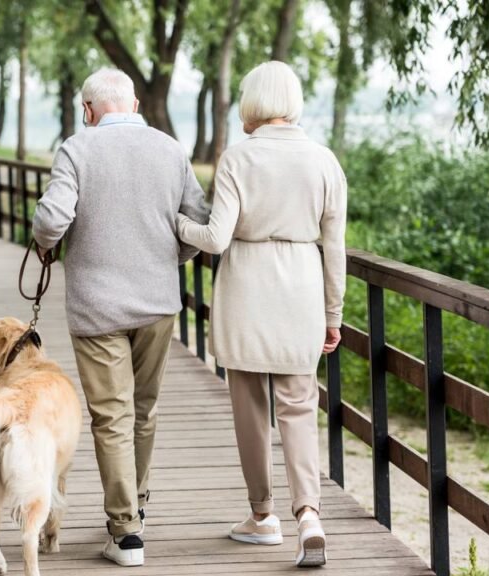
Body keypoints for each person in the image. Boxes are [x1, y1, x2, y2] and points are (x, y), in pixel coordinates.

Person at [31, 68, 210, 567]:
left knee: (112, 415)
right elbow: (198, 221)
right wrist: (167, 260)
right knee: (144, 411)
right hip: (158, 303)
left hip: (97, 308)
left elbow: (50, 221)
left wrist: (48, 246)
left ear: (88, 110)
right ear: (133, 105)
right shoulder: (170, 149)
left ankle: (126, 532)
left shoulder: (77, 148)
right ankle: (137, 507)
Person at [175, 60, 347, 568]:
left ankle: (262, 516)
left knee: (250, 408)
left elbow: (215, 238)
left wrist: (176, 223)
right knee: (299, 406)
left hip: (247, 289)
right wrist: (332, 314)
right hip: (301, 287)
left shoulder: (238, 158)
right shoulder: (324, 160)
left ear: (253, 102)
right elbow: (335, 247)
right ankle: (309, 515)